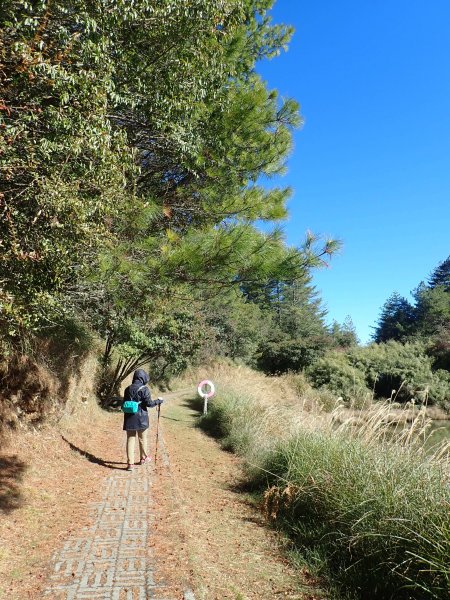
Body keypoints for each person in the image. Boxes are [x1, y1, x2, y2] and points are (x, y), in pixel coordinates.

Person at [122, 369, 163, 471]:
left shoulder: (127, 389)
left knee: (130, 440)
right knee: (142, 439)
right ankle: (143, 458)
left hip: (129, 417)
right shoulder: (144, 389)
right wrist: (159, 401)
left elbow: (124, 402)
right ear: (143, 378)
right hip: (141, 418)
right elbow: (149, 404)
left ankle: (130, 464)